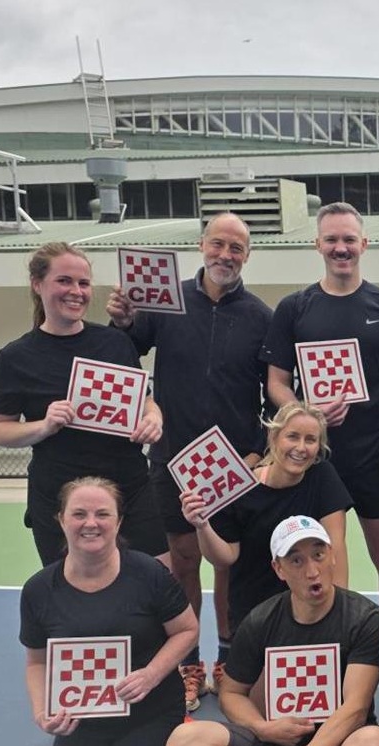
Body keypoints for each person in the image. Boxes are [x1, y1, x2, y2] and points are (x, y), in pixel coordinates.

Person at [106, 213, 273, 706]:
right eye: (218, 244)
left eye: (236, 248)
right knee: (183, 562)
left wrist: (257, 450)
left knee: (228, 565)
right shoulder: (165, 301)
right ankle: (189, 665)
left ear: (248, 255)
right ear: (202, 245)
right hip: (172, 459)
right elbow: (126, 350)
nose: (226, 255)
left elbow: (274, 393)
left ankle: (228, 661)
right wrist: (123, 320)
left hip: (233, 465)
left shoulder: (262, 317)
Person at [162, 515, 379, 746]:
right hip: (275, 744)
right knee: (181, 743)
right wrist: (262, 727)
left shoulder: (365, 620)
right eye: (296, 561)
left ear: (332, 556)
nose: (312, 571)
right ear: (279, 569)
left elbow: (355, 710)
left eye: (318, 555)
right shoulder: (261, 620)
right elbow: (231, 694)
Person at [262, 202, 379, 622]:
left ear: (363, 244)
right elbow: (276, 382)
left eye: (349, 239)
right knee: (316, 562)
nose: (341, 248)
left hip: (374, 455)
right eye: (331, 239)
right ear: (317, 245)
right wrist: (305, 415)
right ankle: (330, 641)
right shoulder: (294, 308)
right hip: (313, 460)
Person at [19, 477, 197, 746]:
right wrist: (43, 712)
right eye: (79, 514)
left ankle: (174, 738)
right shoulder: (39, 590)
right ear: (61, 520)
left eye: (102, 514)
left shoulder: (149, 574)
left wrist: (151, 674)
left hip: (151, 711)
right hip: (85, 717)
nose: (91, 523)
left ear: (119, 521)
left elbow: (187, 630)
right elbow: (36, 663)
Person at [0, 243, 167, 567]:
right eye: (64, 281)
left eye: (83, 283)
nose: (76, 291)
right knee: (75, 592)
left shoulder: (114, 342)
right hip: (60, 496)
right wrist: (43, 426)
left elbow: (146, 401)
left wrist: (153, 419)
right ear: (37, 284)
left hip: (130, 488)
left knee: (157, 582)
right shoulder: (16, 358)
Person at [184, 401, 352, 654]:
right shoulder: (241, 488)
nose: (301, 448)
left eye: (310, 440)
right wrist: (202, 525)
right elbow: (225, 557)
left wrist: (338, 620)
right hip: (254, 614)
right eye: (292, 436)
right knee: (254, 681)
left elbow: (335, 550)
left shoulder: (323, 477)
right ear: (274, 438)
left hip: (310, 609)